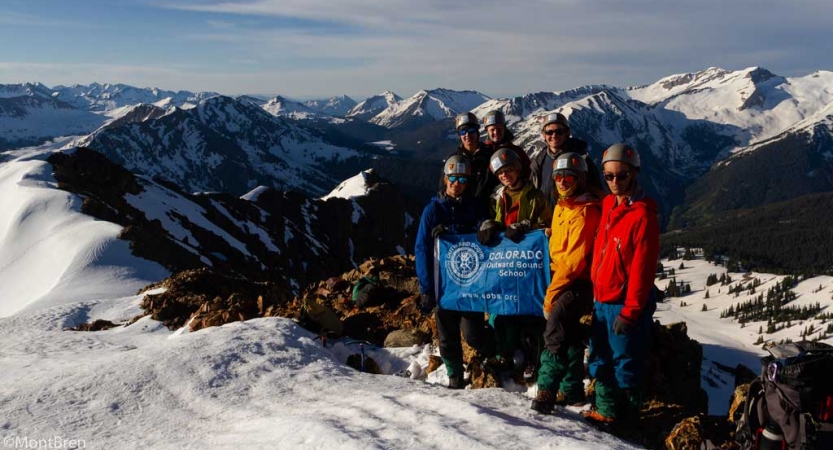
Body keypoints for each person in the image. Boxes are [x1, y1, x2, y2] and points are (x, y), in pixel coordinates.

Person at [581, 143, 660, 426]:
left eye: (621, 176)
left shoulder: (642, 216)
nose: (614, 182)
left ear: (634, 174)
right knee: (600, 358)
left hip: (624, 305)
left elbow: (643, 270)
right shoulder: (607, 205)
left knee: (625, 361)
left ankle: (628, 419)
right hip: (602, 300)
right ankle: (607, 410)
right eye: (609, 176)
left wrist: (631, 311)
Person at [530, 152, 601, 413]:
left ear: (580, 178)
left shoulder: (585, 212)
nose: (561, 181)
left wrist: (551, 297)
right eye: (558, 176)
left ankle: (546, 390)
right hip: (562, 278)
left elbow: (572, 263)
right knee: (569, 337)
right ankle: (572, 392)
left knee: (555, 328)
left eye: (568, 176)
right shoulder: (562, 205)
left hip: (576, 284)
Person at [416, 155, 493, 389]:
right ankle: (455, 376)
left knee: (472, 334)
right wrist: (426, 288)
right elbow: (421, 249)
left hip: (471, 284)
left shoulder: (476, 207)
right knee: (447, 335)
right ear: (445, 179)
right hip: (443, 285)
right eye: (452, 178)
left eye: (461, 178)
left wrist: (484, 228)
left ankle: (497, 350)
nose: (456, 183)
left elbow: (485, 233)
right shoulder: (432, 210)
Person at [476, 148, 551, 380]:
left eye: (508, 170)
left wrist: (528, 226)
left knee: (530, 313)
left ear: (518, 170)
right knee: (502, 312)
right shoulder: (502, 197)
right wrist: (492, 226)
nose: (504, 176)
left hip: (529, 266)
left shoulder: (535, 195)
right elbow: (500, 223)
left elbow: (548, 224)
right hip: (507, 266)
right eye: (500, 173)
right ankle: (505, 354)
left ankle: (532, 359)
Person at [530, 112, 603, 207]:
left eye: (559, 132)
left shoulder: (580, 159)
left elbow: (596, 191)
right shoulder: (539, 160)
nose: (554, 135)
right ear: (544, 135)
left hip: (573, 217)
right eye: (549, 132)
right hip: (546, 218)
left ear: (567, 133)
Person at [440, 112, 499, 213]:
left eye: (471, 131)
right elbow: (443, 188)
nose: (467, 135)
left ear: (477, 133)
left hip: (488, 211)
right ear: (459, 136)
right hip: (462, 213)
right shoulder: (453, 159)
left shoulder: (490, 155)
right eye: (463, 132)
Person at [482, 110, 532, 180]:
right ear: (487, 131)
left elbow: (529, 173)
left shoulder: (516, 151)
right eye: (492, 130)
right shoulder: (482, 152)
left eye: (499, 129)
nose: (496, 132)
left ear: (504, 128)